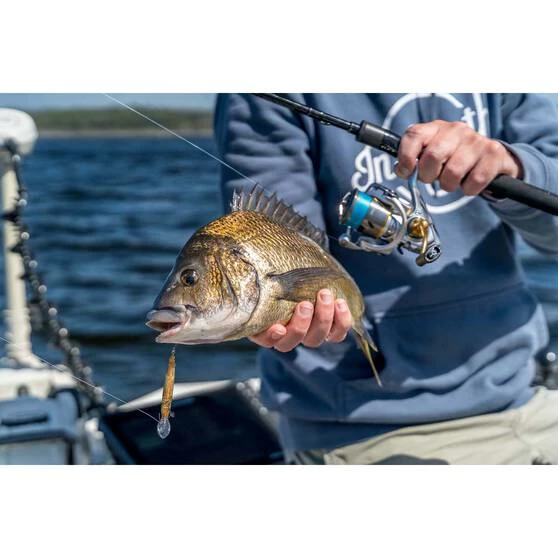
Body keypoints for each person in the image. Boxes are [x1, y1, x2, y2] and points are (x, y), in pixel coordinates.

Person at [214, 93, 558, 464]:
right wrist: (270, 316)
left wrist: (511, 166)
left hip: (525, 387)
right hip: (371, 422)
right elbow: (277, 239)